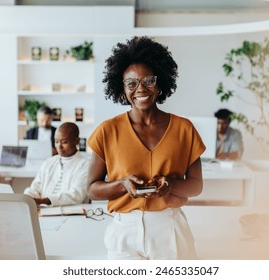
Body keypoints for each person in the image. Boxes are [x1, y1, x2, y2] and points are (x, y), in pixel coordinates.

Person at [87, 36, 206, 260]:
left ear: (160, 84)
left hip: (169, 227)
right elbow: (92, 189)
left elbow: (196, 186)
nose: (140, 88)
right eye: (131, 83)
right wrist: (122, 185)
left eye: (148, 80)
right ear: (122, 90)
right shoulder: (107, 131)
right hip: (124, 231)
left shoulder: (183, 128)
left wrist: (171, 186)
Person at [24, 122, 89, 206]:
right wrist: (27, 198)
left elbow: (76, 195)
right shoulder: (48, 162)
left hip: (72, 215)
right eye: (56, 141)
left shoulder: (86, 165)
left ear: (76, 141)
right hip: (44, 212)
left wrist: (44, 201)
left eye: (64, 142)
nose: (59, 146)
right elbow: (35, 189)